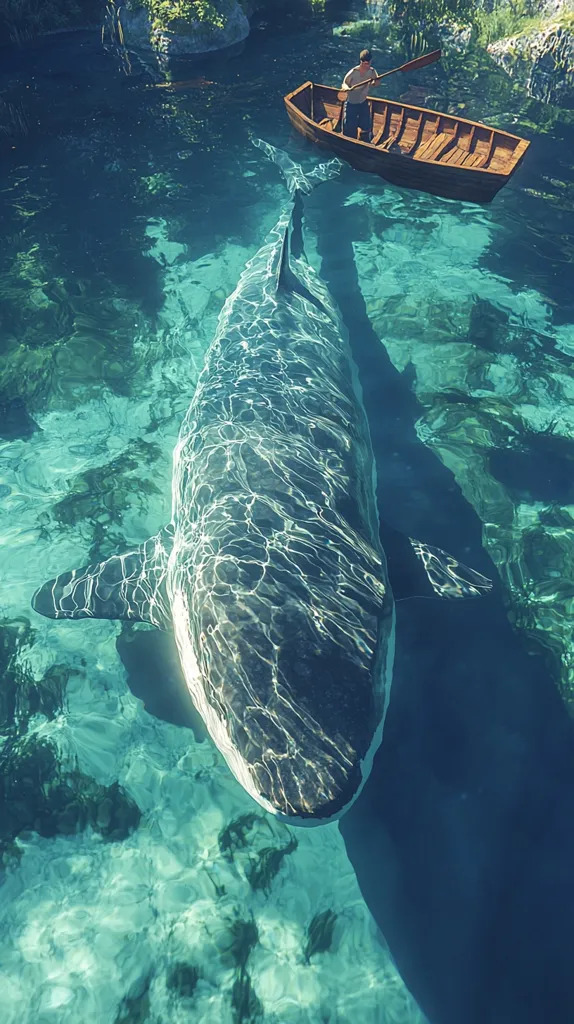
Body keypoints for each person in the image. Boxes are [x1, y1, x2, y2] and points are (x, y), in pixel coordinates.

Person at [340, 49, 380, 141]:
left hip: (363, 103)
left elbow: (376, 84)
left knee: (366, 127)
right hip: (351, 104)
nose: (367, 66)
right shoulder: (353, 72)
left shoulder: (372, 72)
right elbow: (344, 84)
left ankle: (364, 142)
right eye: (365, 64)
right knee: (349, 128)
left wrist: (376, 81)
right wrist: (346, 88)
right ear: (361, 62)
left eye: (369, 63)